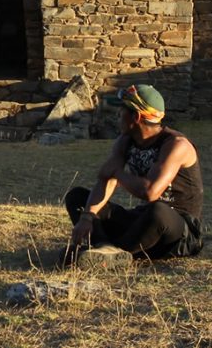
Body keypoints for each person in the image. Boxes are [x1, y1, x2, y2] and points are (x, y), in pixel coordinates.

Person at [60, 84, 204, 269]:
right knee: (78, 197)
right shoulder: (125, 140)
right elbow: (105, 180)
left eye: (121, 111)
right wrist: (87, 217)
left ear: (136, 117)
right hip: (142, 225)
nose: (117, 115)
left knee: (157, 210)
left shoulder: (176, 145)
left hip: (178, 234)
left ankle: (113, 253)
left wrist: (117, 174)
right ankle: (104, 249)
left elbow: (150, 192)